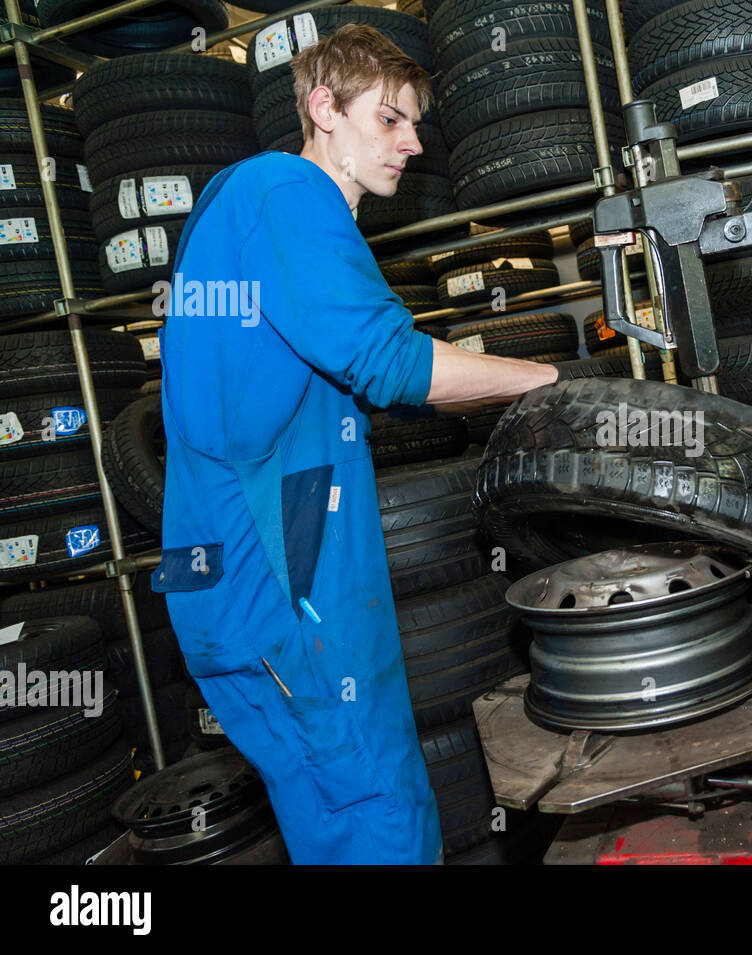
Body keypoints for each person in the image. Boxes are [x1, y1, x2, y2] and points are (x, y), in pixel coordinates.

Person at [150, 23, 558, 864]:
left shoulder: (236, 205)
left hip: (225, 579)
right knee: (377, 811)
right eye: (389, 119)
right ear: (322, 108)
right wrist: (554, 382)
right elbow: (390, 361)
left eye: (415, 124)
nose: (411, 143)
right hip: (285, 582)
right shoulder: (289, 193)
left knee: (330, 814)